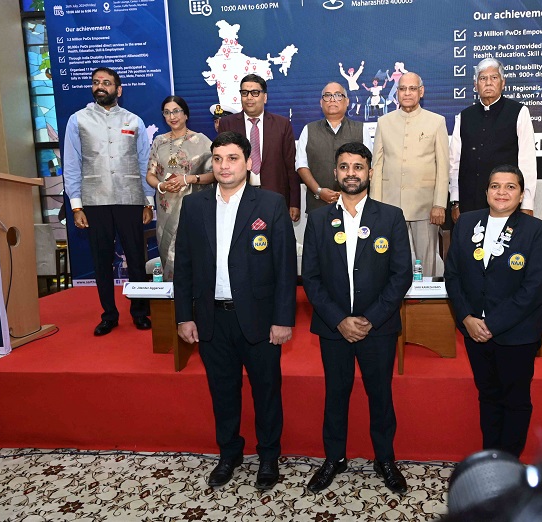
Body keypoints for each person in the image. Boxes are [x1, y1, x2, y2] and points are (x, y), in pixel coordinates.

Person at [173, 131, 297, 491]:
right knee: (223, 392)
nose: (224, 166)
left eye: (232, 158)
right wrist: (184, 315)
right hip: (212, 319)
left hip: (259, 320)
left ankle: (269, 456)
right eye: (218, 159)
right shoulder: (194, 206)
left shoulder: (270, 204)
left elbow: (285, 267)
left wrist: (282, 319)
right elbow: (184, 268)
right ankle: (229, 454)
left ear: (248, 163)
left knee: (266, 392)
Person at [301, 142, 412, 495]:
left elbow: (401, 276)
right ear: (335, 173)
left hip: (377, 329)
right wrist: (339, 320)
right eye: (344, 167)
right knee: (336, 393)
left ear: (369, 172)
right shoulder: (319, 220)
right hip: (334, 329)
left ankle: (385, 458)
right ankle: (334, 458)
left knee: (380, 395)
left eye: (358, 167)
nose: (351, 173)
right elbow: (311, 279)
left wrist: (370, 319)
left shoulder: (390, 216)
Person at [444, 165, 542, 459]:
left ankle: (509, 462)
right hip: (474, 332)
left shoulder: (536, 230)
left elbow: (534, 288)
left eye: (510, 187)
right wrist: (466, 318)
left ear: (520, 195)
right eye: (495, 186)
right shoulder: (466, 223)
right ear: (487, 191)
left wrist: (491, 324)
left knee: (515, 399)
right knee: (488, 396)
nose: (501, 192)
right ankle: (491, 456)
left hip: (516, 334)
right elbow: (452, 275)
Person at [63, 66, 153, 336]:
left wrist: (148, 201)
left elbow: (143, 162)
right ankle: (109, 315)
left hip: (130, 198)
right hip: (94, 200)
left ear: (118, 89)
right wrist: (76, 205)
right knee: (101, 260)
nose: (100, 86)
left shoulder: (134, 121)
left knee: (137, 259)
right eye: (96, 82)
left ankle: (140, 311)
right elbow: (71, 164)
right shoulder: (77, 120)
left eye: (106, 82)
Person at [370, 72, 449, 277]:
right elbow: (377, 166)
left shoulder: (436, 122)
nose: (407, 93)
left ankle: (425, 307)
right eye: (402, 89)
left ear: (421, 92)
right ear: (397, 93)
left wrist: (439, 203)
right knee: (390, 260)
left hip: (425, 206)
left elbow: (443, 166)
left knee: (426, 262)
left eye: (412, 89)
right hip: (390, 205)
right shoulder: (384, 122)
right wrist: (375, 205)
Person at [449, 57, 537, 222]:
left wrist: (527, 204)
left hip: (506, 202)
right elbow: (455, 163)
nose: (488, 82)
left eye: (494, 78)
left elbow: (527, 162)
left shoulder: (519, 112)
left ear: (503, 83)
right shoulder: (464, 116)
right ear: (476, 85)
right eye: (483, 78)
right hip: (469, 203)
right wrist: (455, 201)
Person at [145, 96, 213, 281]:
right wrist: (161, 185)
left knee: (193, 256)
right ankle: (173, 302)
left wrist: (188, 178)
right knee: (168, 253)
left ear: (185, 114)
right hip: (166, 209)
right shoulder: (159, 141)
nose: (171, 116)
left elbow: (215, 174)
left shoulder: (201, 140)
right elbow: (150, 174)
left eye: (176, 111)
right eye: (167, 112)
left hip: (192, 208)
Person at [217, 73, 301, 222]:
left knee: (273, 242)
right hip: (238, 196)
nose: (249, 97)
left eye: (255, 93)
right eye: (245, 93)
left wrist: (294, 202)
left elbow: (290, 165)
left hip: (274, 197)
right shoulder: (227, 124)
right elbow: (223, 163)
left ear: (265, 97)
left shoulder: (282, 124)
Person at [296, 82, 371, 214]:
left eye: (337, 95)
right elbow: (301, 166)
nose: (332, 99)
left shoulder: (361, 129)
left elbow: (368, 167)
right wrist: (319, 191)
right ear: (321, 102)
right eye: (328, 96)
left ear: (347, 101)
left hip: (355, 206)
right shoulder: (308, 129)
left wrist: (348, 193)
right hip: (318, 205)